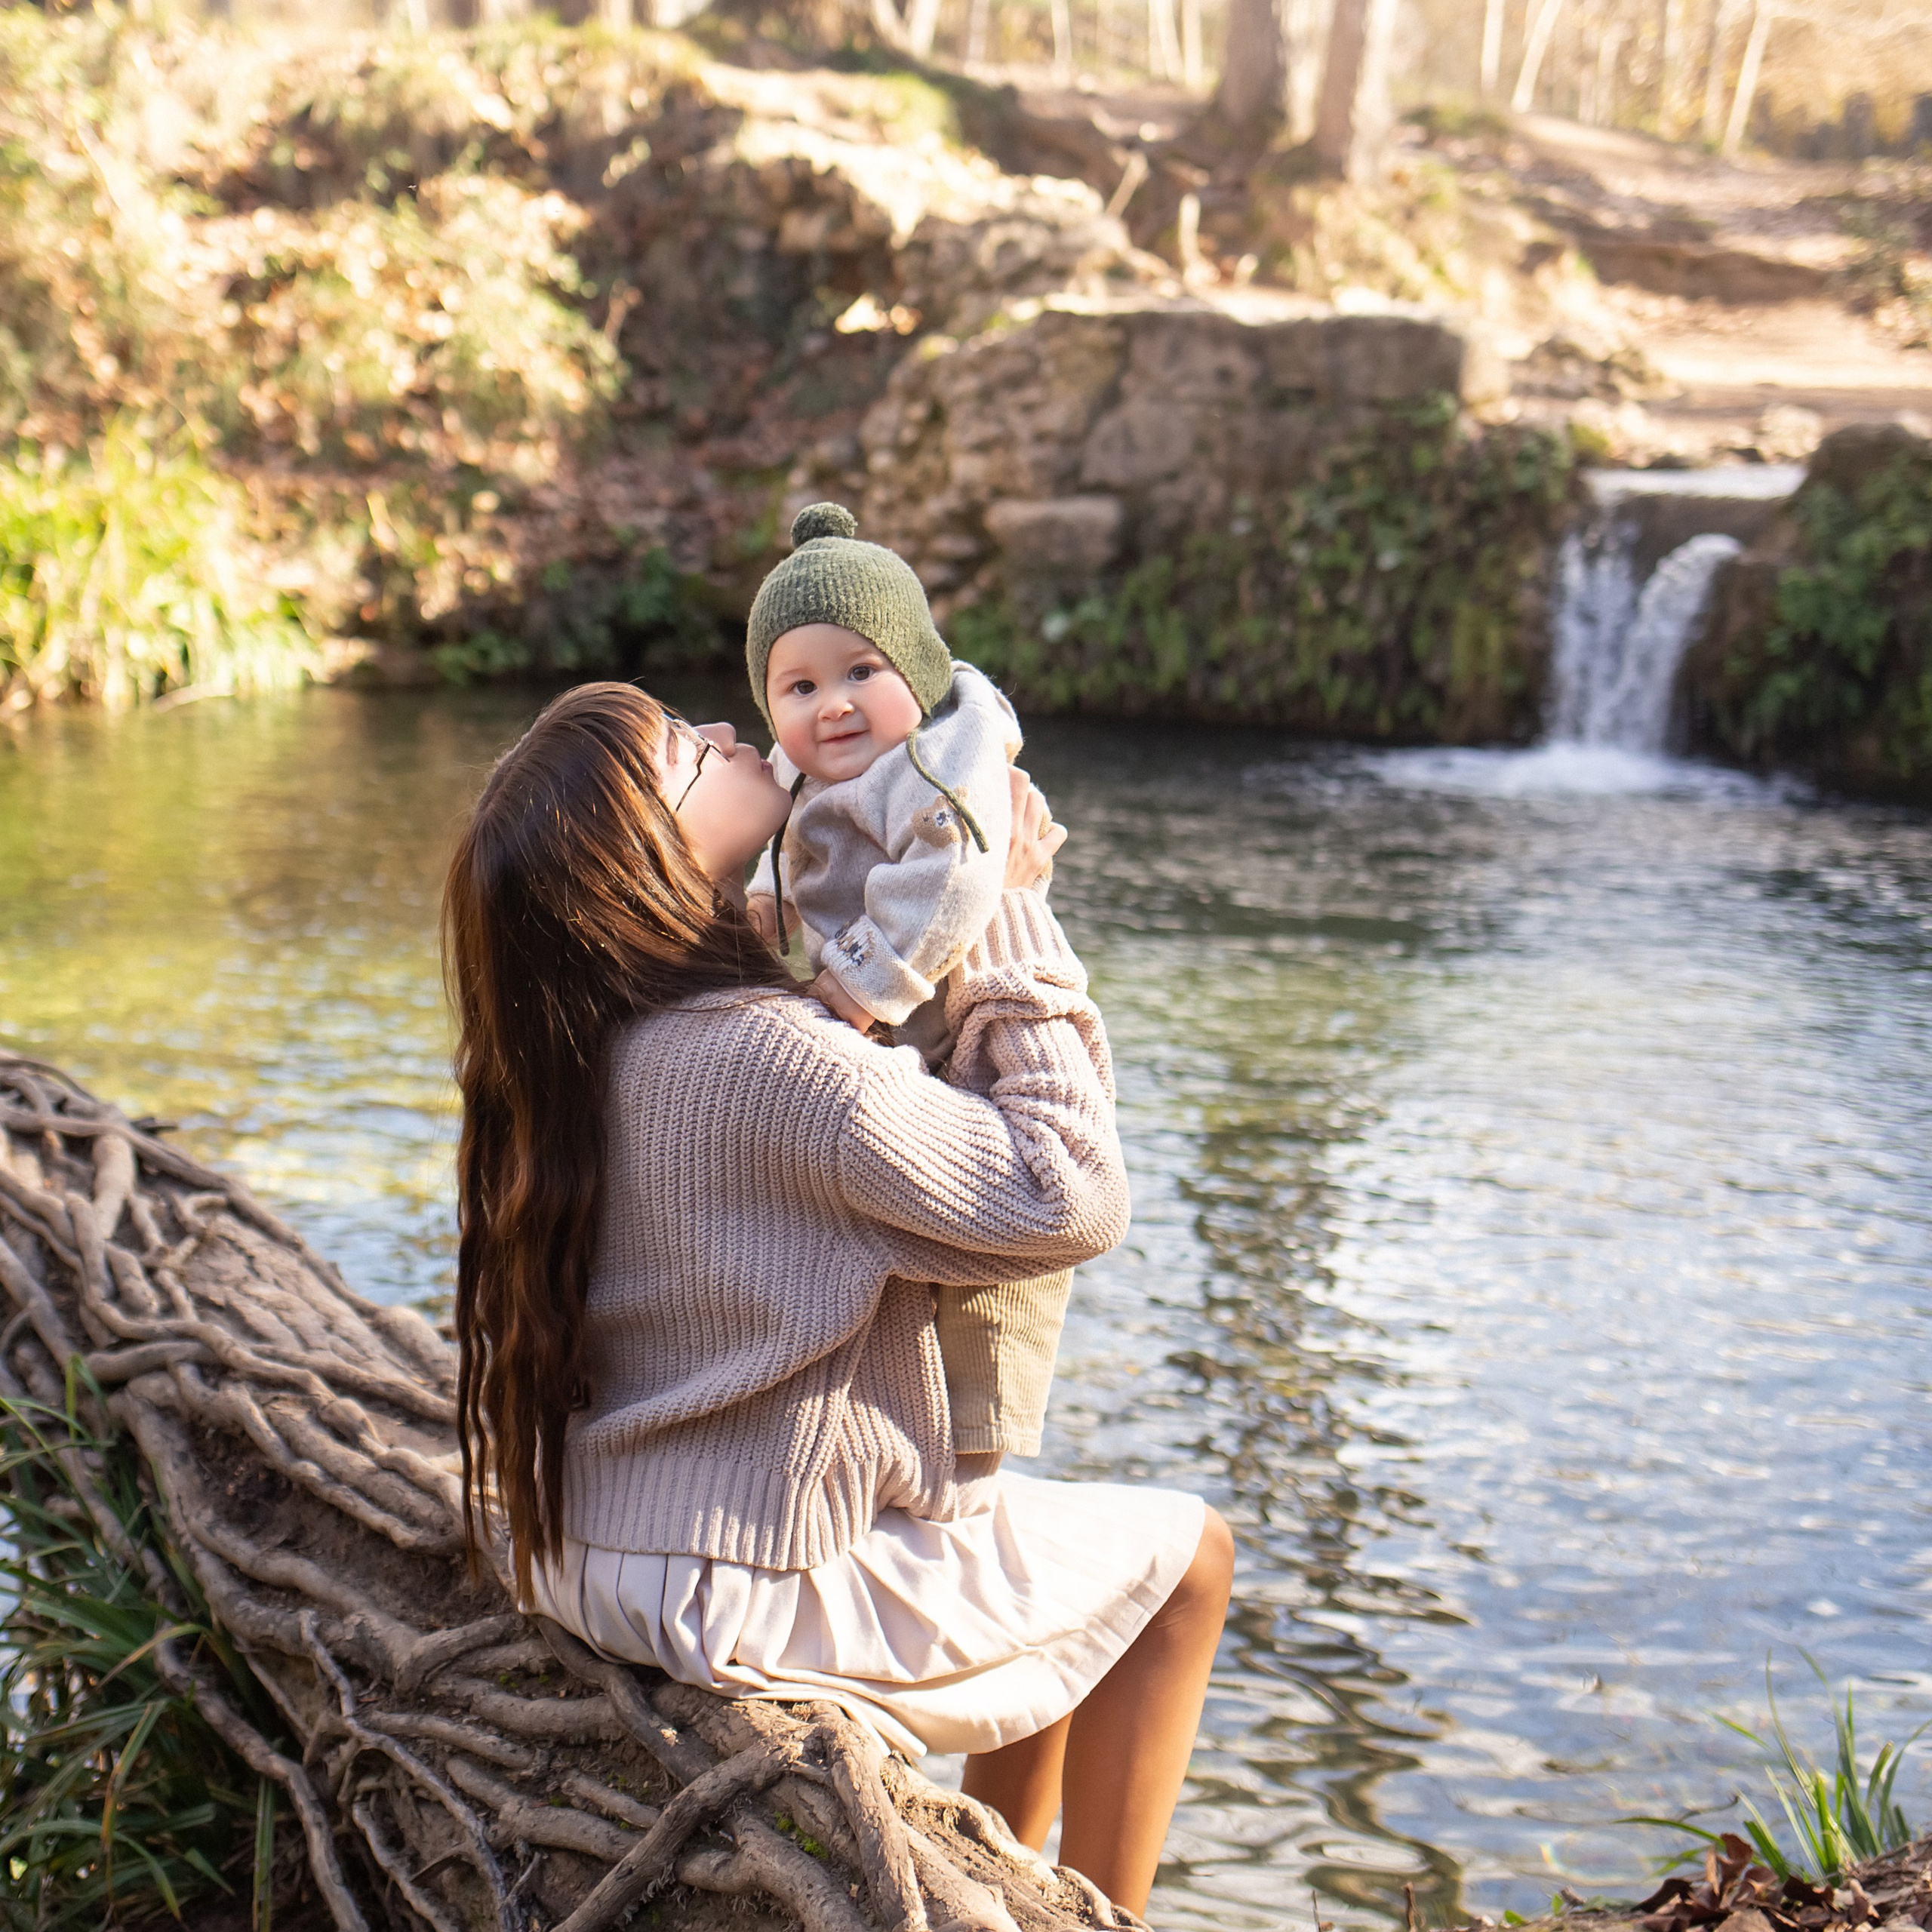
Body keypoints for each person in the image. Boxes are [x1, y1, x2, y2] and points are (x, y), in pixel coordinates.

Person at [441, 680, 1232, 1918]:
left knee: (1037, 1552)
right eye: (682, 754)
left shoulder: (570, 1036)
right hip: (731, 1589)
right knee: (1189, 1559)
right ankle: (1106, 1915)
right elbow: (1069, 1199)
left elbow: (816, 1008)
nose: (716, 729)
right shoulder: (763, 1055)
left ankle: (1007, 1877)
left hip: (585, 1544)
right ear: (649, 855)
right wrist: (1014, 920)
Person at [744, 500, 1070, 1463]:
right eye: (796, 687)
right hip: (887, 1036)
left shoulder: (941, 757)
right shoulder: (801, 767)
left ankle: (983, 1438)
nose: (830, 704)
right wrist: (760, 914)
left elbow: (955, 876)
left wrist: (852, 990)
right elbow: (778, 848)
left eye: (861, 671)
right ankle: (892, 1425)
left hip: (965, 1016)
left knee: (995, 1253)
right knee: (898, 1235)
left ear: (918, 672)